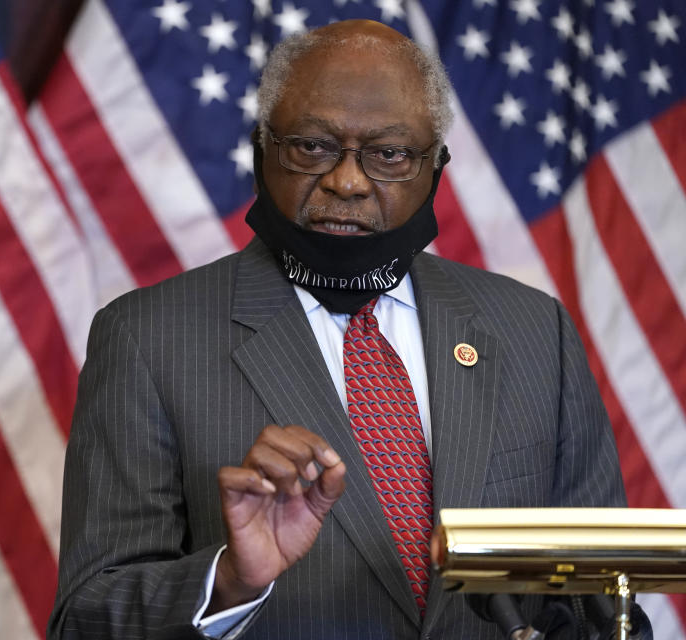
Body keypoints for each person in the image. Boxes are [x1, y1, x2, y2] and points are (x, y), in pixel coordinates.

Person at [48, 19, 625, 640]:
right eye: (312, 146)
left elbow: (603, 596)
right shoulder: (147, 339)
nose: (346, 181)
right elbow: (84, 620)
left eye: (389, 154)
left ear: (435, 166)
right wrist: (229, 582)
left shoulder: (536, 332)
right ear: (261, 148)